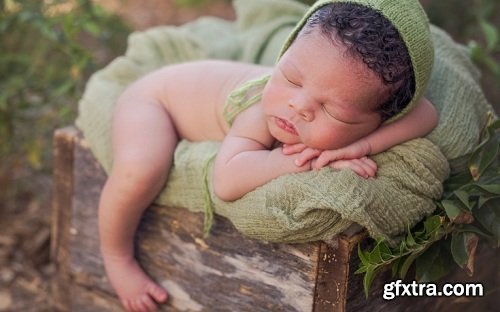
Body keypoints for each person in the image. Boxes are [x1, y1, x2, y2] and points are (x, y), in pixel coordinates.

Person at [98, 1, 436, 311]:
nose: (298, 106)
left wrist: (359, 146)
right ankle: (116, 256)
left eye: (335, 112)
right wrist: (302, 160)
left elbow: (426, 114)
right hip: (155, 102)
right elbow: (227, 179)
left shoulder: (360, 112)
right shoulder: (261, 110)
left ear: (379, 120)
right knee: (140, 169)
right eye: (291, 77)